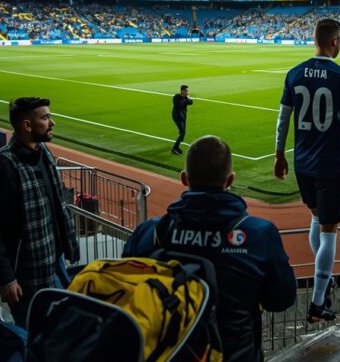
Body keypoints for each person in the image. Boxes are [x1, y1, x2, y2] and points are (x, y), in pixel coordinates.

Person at [123, 136, 296, 362]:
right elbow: (281, 300)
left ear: (184, 178)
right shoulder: (260, 234)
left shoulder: (148, 232)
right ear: (230, 179)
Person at [273, 18, 340, 323]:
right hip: (330, 164)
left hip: (302, 163)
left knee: (317, 217)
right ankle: (318, 302)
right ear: (333, 41)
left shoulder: (294, 73)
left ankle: (325, 280)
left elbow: (283, 120)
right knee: (330, 229)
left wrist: (279, 154)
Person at [0, 97, 79, 327]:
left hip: (54, 262)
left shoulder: (44, 154)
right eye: (45, 118)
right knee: (36, 335)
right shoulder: (0, 166)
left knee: (61, 329)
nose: (52, 123)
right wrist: (5, 278)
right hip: (26, 275)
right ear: (27, 126)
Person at [171, 84, 193, 155]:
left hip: (183, 117)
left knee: (182, 133)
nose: (187, 92)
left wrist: (186, 98)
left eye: (187, 91)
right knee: (183, 133)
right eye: (186, 90)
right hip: (177, 117)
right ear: (182, 91)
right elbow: (179, 105)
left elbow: (191, 102)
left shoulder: (185, 98)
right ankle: (174, 148)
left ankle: (177, 147)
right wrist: (186, 98)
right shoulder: (176, 97)